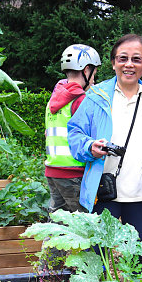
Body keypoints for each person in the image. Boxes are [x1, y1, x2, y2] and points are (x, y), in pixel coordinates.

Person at [67, 34, 142, 258]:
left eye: (137, 59)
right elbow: (75, 133)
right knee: (98, 259)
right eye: (123, 58)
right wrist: (89, 147)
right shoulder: (95, 98)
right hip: (103, 193)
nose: (129, 64)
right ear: (113, 62)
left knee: (136, 261)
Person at [45, 44, 101, 214]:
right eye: (94, 73)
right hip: (73, 172)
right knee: (83, 225)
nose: (94, 80)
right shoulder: (80, 101)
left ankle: (47, 242)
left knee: (57, 224)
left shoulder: (54, 98)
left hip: (53, 170)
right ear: (86, 70)